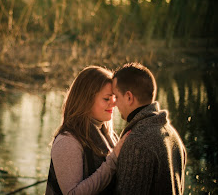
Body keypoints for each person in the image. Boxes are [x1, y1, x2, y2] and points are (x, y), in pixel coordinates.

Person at [45, 66, 130, 195]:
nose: (113, 104)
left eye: (114, 98)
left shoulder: (108, 135)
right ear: (86, 100)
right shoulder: (68, 141)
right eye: (107, 99)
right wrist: (113, 160)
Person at [112, 62, 187, 194]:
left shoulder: (137, 142)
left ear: (129, 97)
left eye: (116, 96)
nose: (114, 103)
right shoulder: (171, 133)